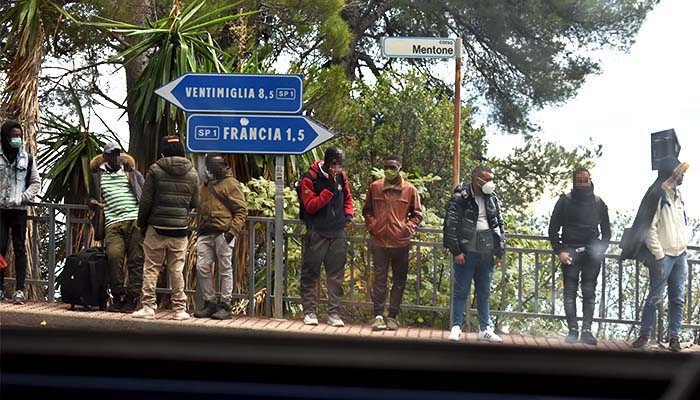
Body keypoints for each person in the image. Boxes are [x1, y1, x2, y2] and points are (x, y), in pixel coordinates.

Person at [626, 158, 690, 352]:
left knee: (677, 299)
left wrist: (686, 241)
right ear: (673, 174)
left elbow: (683, 224)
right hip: (665, 256)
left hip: (681, 255)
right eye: (680, 173)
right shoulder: (659, 196)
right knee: (655, 297)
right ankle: (644, 335)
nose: (683, 177)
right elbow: (648, 229)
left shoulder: (677, 196)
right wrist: (660, 255)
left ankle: (674, 337)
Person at [133, 136, 199, 321]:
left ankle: (148, 307)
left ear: (162, 152)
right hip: (179, 229)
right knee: (177, 269)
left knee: (151, 268)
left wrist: (142, 224)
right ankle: (180, 309)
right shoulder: (192, 173)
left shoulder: (155, 170)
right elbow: (195, 202)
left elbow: (145, 201)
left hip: (157, 228)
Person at [548, 168, 611, 345]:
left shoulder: (599, 203)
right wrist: (559, 251)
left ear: (591, 180)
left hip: (592, 255)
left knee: (589, 293)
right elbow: (553, 229)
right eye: (580, 180)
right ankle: (573, 331)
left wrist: (600, 250)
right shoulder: (564, 201)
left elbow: (606, 232)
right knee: (570, 293)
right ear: (574, 182)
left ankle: (587, 331)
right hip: (570, 253)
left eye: (586, 180)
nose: (583, 184)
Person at [443, 165, 505, 342]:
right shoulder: (461, 197)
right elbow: (451, 224)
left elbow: (499, 224)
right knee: (461, 291)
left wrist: (499, 250)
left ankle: (485, 328)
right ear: (476, 179)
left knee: (484, 292)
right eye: (487, 179)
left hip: (487, 252)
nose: (491, 183)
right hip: (466, 252)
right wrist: (456, 251)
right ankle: (456, 327)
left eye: (492, 179)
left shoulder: (492, 198)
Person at [363, 155, 422, 331]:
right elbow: (367, 210)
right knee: (379, 280)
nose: (389, 170)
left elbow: (417, 214)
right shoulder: (374, 187)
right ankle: (378, 316)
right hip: (379, 241)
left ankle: (392, 317)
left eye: (392, 167)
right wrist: (372, 225)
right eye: (386, 167)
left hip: (401, 243)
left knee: (399, 281)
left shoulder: (410, 190)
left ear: (399, 168)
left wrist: (407, 228)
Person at [299, 147, 354, 327]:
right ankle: (309, 312)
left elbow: (347, 198)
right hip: (317, 232)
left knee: (336, 276)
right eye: (335, 165)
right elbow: (311, 206)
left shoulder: (341, 177)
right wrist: (329, 189)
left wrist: (348, 215)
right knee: (311, 273)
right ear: (328, 162)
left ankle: (334, 314)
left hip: (337, 233)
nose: (337, 169)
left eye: (340, 165)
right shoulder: (310, 178)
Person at [89, 143, 144, 313]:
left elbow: (144, 193)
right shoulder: (97, 176)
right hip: (112, 222)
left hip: (134, 220)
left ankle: (133, 297)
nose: (115, 158)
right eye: (111, 155)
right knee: (114, 257)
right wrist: (92, 204)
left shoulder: (131, 173)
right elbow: (93, 197)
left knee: (136, 259)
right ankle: (118, 295)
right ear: (104, 157)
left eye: (117, 154)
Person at [193, 153, 247, 320]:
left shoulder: (231, 184)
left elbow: (241, 210)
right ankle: (210, 302)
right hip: (205, 232)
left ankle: (225, 304)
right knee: (201, 266)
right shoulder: (204, 186)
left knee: (225, 269)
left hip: (223, 233)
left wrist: (231, 233)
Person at [0, 120, 40, 304]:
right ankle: (0, 289)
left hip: (19, 210)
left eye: (19, 136)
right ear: (5, 137)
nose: (17, 139)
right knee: (0, 248)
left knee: (19, 249)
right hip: (1, 210)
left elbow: (35, 183)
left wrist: (24, 196)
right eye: (14, 136)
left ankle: (19, 290)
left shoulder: (26, 158)